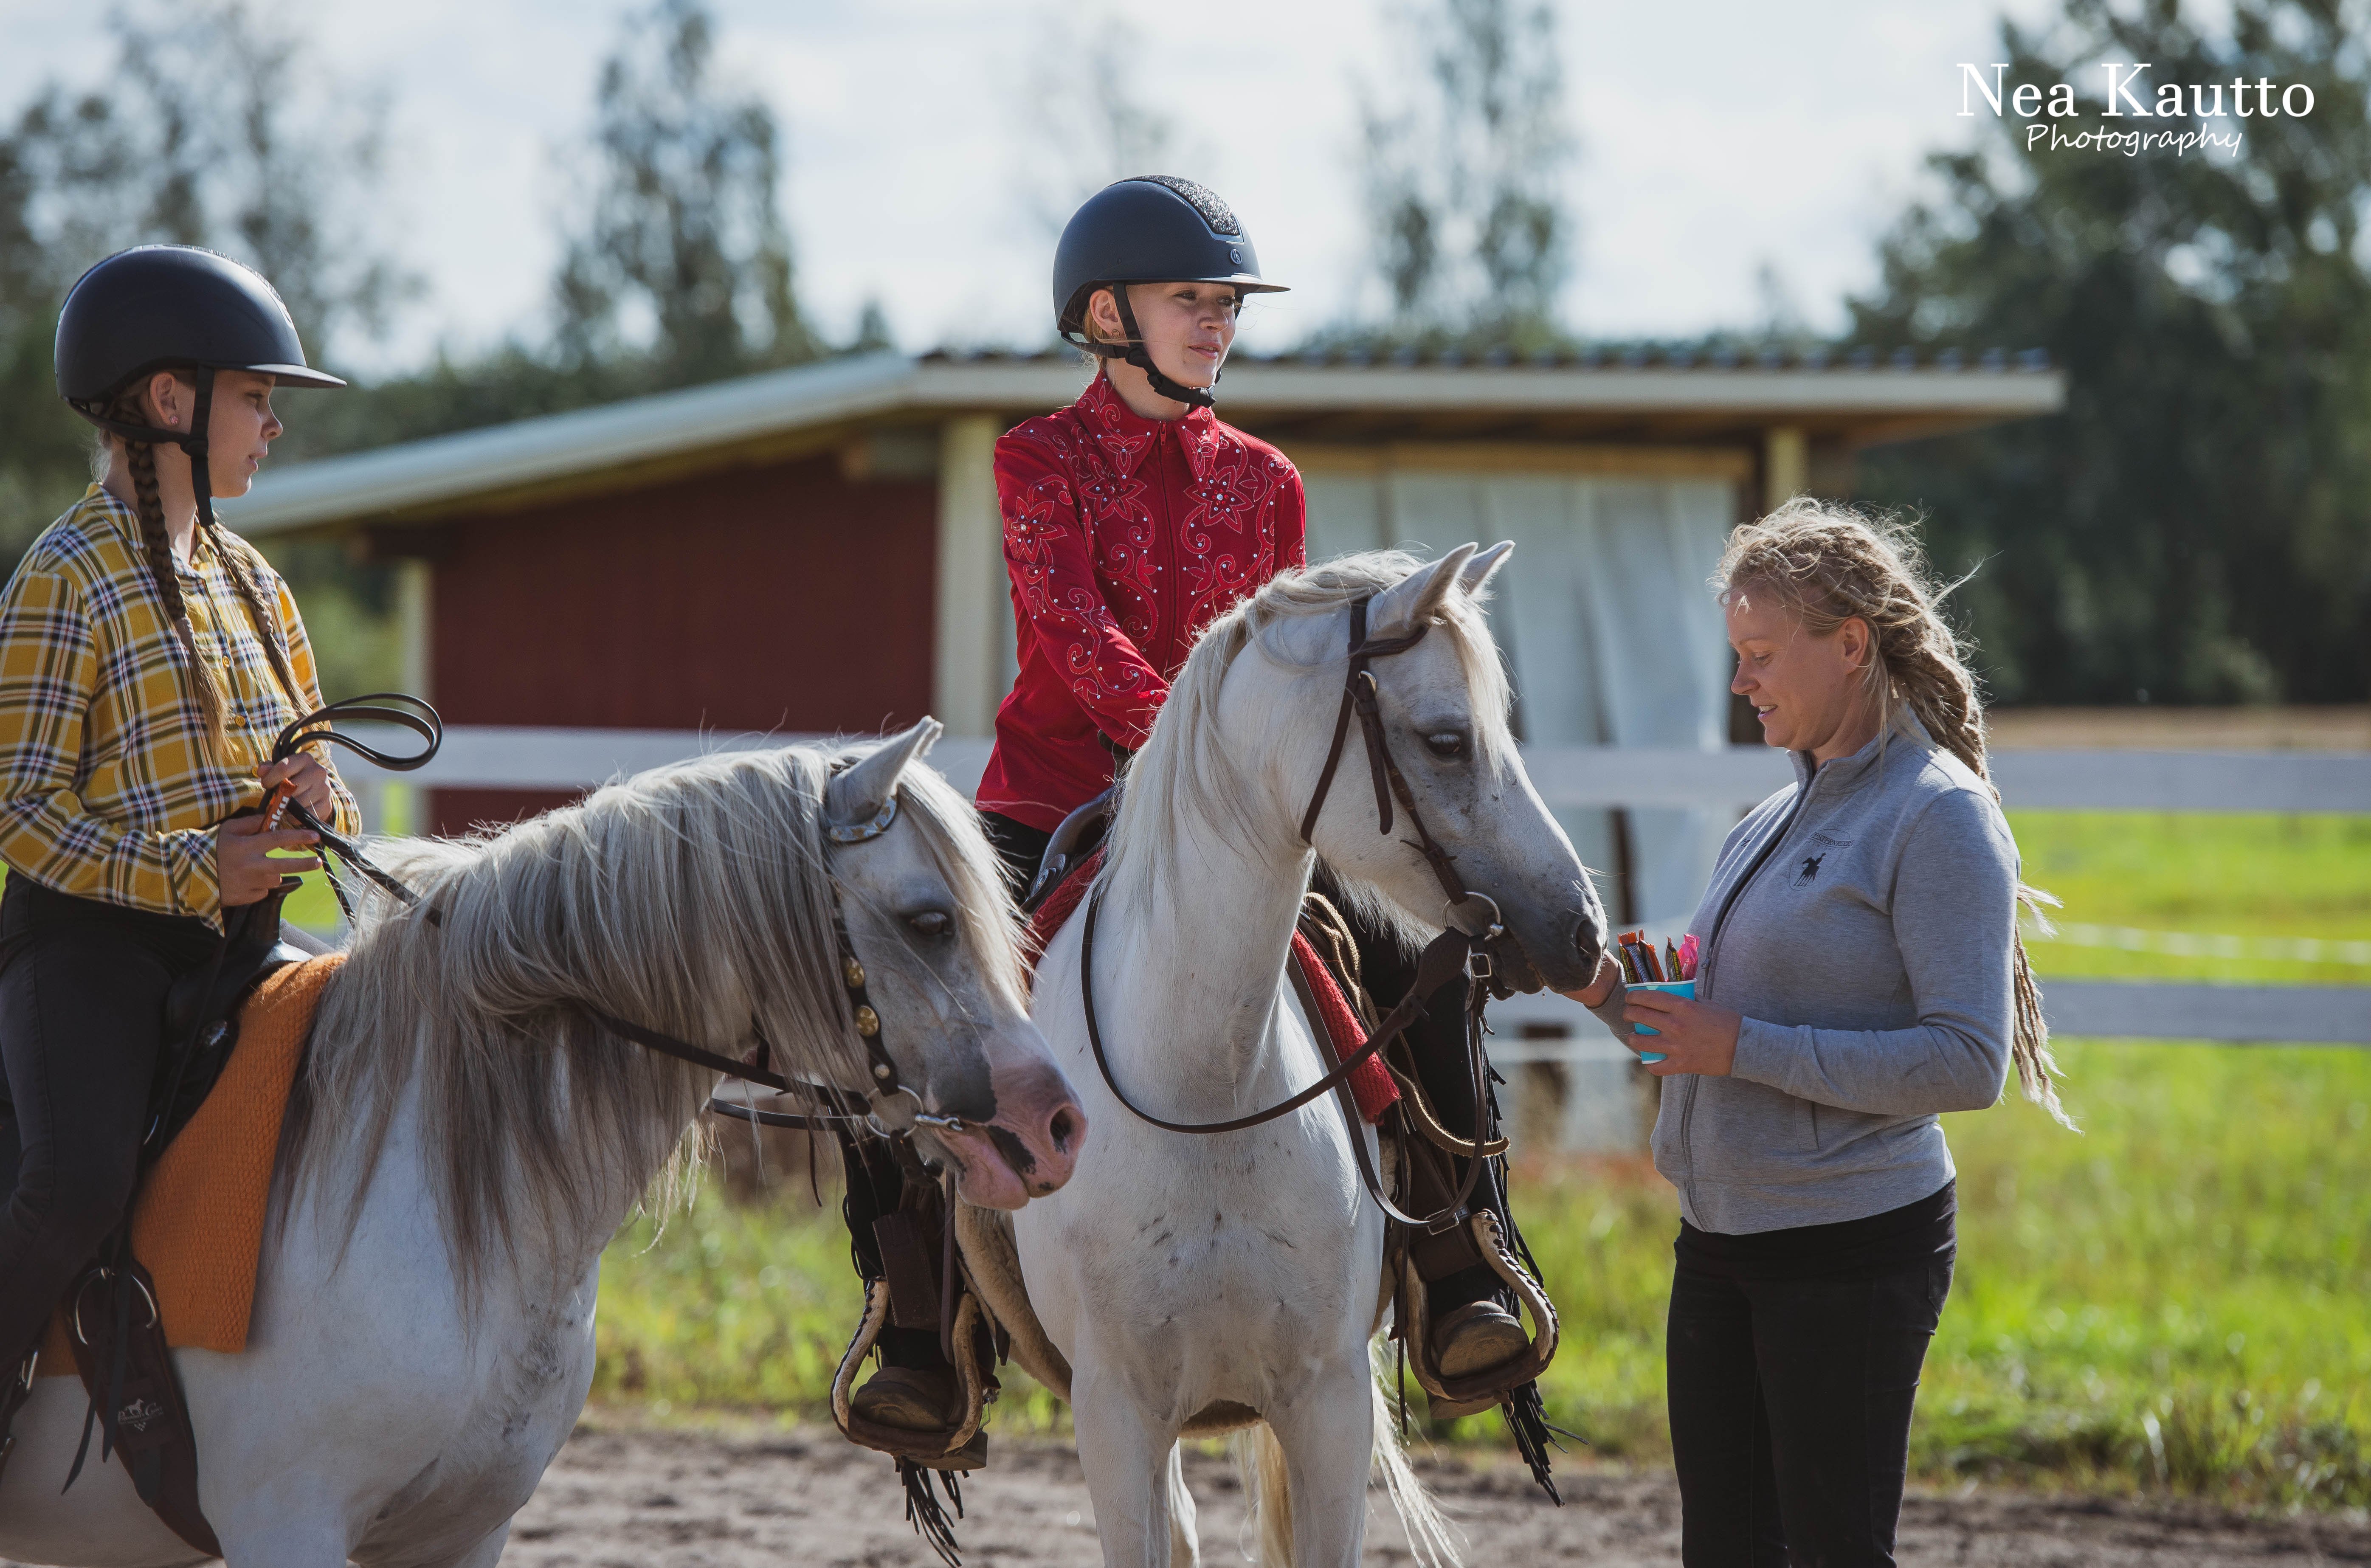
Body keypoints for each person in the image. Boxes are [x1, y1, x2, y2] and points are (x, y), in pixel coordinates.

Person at [848, 175, 1534, 1437]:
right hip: (1054, 795)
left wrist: (1239, 779)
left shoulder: (1269, 480)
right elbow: (1072, 634)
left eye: (1226, 303)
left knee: (1409, 954)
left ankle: (1463, 1261)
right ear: (1107, 314)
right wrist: (1193, 751)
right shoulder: (1034, 460)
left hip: (1241, 817)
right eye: (1190, 300)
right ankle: (919, 1321)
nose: (1216, 322)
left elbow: (1279, 665)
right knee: (906, 987)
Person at [1563, 498, 2072, 1567]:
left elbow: (1965, 1062)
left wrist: (1734, 1042)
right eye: (1735, 655)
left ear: (1849, 645)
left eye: (1757, 655)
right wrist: (1605, 991)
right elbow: (1691, 1042)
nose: (1739, 681)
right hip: (1719, 1240)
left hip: (1847, 1249)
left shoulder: (1935, 815)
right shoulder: (1767, 816)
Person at [0, 246, 359, 1456]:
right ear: (170, 401)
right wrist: (197, 868)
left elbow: (325, 783)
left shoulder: (258, 585)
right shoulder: (66, 576)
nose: (271, 425)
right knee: (72, 1187)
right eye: (257, 398)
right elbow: (23, 811)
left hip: (244, 948)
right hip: (92, 956)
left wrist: (317, 798)